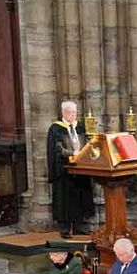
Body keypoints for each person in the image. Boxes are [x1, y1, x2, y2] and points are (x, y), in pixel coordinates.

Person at [46, 100, 93, 237]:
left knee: (81, 197)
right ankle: (65, 229)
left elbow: (87, 143)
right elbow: (58, 149)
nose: (74, 115)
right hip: (64, 171)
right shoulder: (56, 129)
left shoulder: (80, 127)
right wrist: (73, 154)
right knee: (64, 201)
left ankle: (81, 226)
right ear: (64, 113)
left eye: (75, 112)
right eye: (71, 113)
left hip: (81, 169)